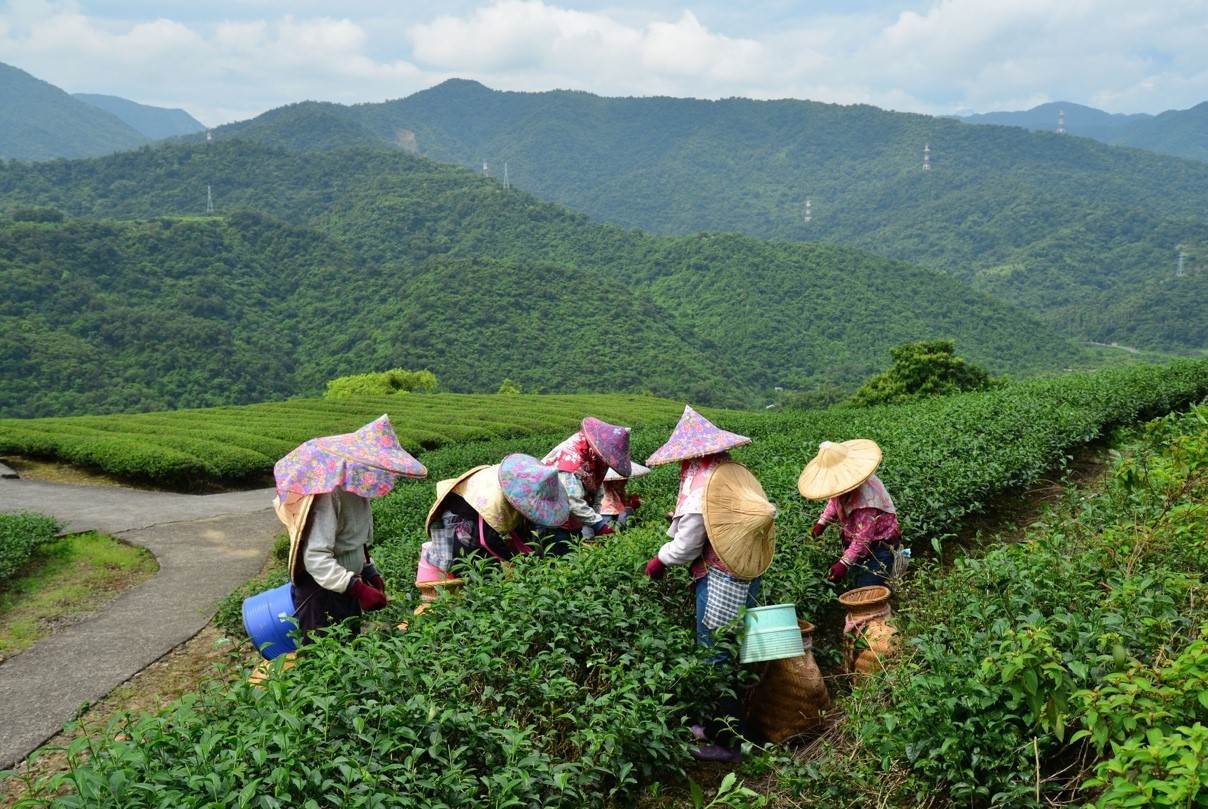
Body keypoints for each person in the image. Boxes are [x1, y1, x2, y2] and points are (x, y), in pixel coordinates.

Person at [643, 405, 776, 763]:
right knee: (731, 648)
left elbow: (687, 544)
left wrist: (661, 560)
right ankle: (718, 725)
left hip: (719, 576)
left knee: (716, 656)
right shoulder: (729, 467)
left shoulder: (703, 478)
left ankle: (729, 742)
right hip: (745, 570)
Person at [273, 415, 427, 642]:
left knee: (350, 651)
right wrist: (358, 589)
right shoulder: (328, 497)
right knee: (326, 662)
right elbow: (316, 558)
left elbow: (354, 540)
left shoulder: (357, 491)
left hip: (345, 588)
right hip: (321, 595)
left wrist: (368, 571)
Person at [417, 453, 570, 584]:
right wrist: (512, 561)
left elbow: (510, 530)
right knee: (481, 577)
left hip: (471, 523)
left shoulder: (512, 480)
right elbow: (487, 540)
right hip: (457, 529)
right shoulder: (494, 501)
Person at [798, 440, 903, 588]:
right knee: (856, 579)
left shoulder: (866, 501)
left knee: (867, 587)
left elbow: (863, 539)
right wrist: (822, 523)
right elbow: (834, 502)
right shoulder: (843, 485)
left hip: (880, 546)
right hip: (861, 546)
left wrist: (843, 563)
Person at [541, 416, 632, 550]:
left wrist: (595, 518)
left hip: (573, 521)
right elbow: (571, 500)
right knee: (560, 558)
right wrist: (598, 524)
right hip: (552, 519)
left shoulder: (595, 455)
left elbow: (597, 487)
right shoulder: (571, 458)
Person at [593, 462, 649, 531]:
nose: (624, 482)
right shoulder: (606, 484)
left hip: (613, 509)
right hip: (605, 509)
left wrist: (631, 501)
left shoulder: (616, 487)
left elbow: (623, 499)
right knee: (608, 531)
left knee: (615, 530)